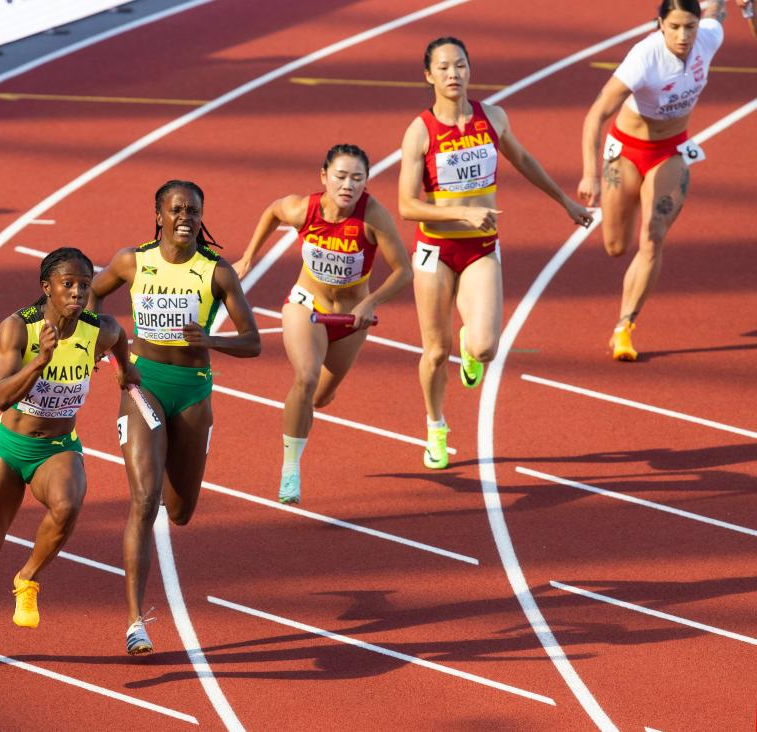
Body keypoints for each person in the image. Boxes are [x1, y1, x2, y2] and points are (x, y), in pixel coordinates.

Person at [399, 37, 592, 470]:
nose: (453, 74)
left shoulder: (493, 117)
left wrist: (565, 201)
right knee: (434, 350)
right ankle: (436, 426)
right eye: (444, 67)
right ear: (429, 75)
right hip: (435, 249)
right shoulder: (420, 131)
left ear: (470, 70)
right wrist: (465, 214)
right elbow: (406, 205)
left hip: (482, 249)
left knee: (485, 347)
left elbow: (524, 160)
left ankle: (469, 347)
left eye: (461, 65)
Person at [0, 247, 138, 671]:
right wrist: (40, 362)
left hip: (57, 447)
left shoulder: (97, 330)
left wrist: (125, 369)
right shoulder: (18, 328)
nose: (77, 292)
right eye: (67, 284)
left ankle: (27, 577)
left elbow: (119, 336)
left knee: (68, 506)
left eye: (84, 285)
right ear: (46, 287)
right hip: (10, 448)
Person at [90, 180, 260, 655]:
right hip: (143, 386)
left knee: (180, 512)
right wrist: (104, 352)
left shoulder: (218, 272)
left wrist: (210, 341)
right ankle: (134, 623)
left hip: (192, 394)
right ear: (159, 214)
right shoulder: (133, 260)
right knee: (143, 500)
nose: (186, 216)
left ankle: (164, 463)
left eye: (194, 210)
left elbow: (254, 341)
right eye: (178, 209)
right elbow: (93, 297)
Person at [234, 144, 412, 504]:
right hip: (307, 305)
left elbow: (404, 271)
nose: (348, 185)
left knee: (321, 397)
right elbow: (273, 211)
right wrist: (249, 257)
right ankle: (290, 472)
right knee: (306, 377)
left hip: (350, 318)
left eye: (357, 179)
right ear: (324, 177)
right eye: (341, 177)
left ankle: (307, 409)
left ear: (366, 182)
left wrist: (370, 301)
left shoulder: (372, 217)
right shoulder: (305, 209)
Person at [578, 0, 741, 360]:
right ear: (659, 25)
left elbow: (715, 12)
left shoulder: (708, 37)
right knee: (616, 247)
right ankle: (629, 201)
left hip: (670, 151)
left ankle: (624, 327)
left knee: (653, 237)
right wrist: (590, 173)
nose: (683, 36)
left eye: (689, 27)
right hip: (626, 152)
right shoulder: (643, 58)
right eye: (675, 27)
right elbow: (595, 115)